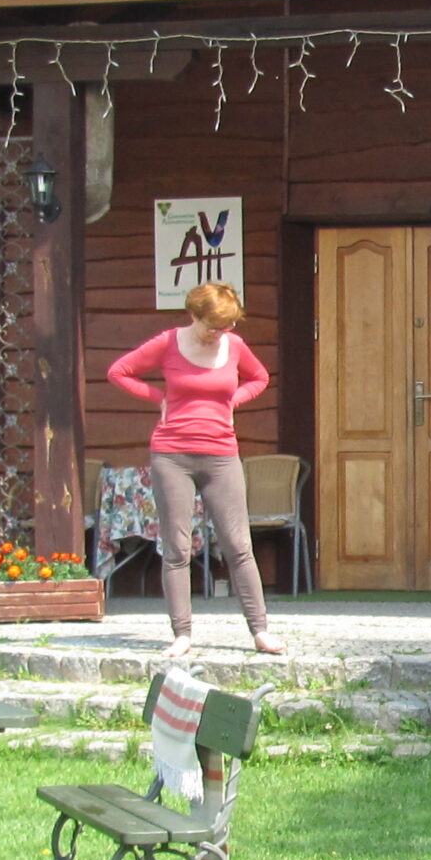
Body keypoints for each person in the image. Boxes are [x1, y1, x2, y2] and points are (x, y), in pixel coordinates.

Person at [107, 282, 283, 662]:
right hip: (172, 456)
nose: (221, 332)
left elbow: (260, 377)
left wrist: (233, 400)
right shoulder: (168, 342)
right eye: (214, 326)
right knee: (177, 548)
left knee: (239, 545)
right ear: (194, 316)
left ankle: (261, 631)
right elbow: (119, 371)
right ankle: (182, 635)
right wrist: (160, 398)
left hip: (221, 456)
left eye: (228, 325)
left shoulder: (234, 345)